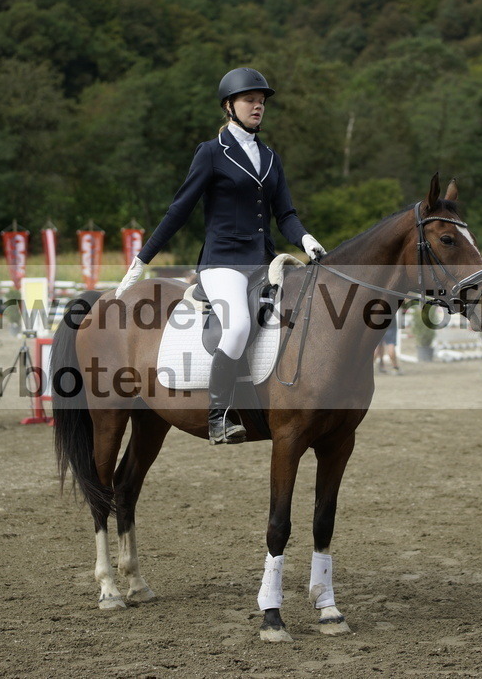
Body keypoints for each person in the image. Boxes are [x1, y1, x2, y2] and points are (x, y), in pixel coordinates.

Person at [115, 67, 326, 444]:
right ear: (229, 106)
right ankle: (218, 415)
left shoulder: (270, 157)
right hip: (223, 263)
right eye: (250, 100)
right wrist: (142, 260)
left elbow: (286, 215)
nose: (257, 106)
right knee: (239, 325)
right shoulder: (212, 153)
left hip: (264, 263)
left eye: (261, 102)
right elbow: (179, 209)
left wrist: (306, 239)